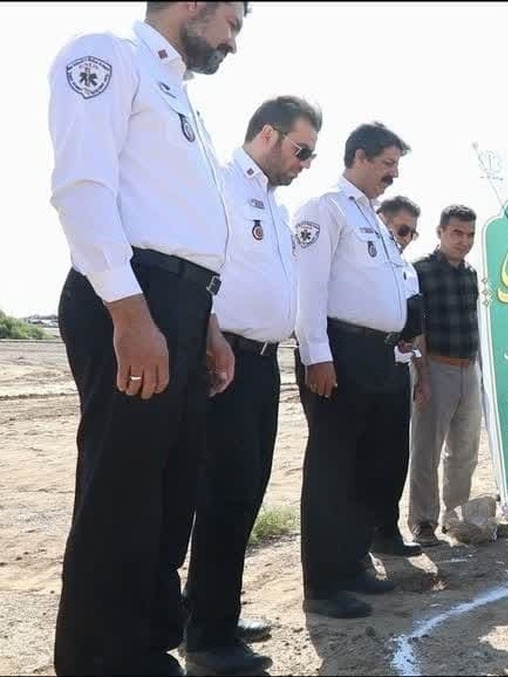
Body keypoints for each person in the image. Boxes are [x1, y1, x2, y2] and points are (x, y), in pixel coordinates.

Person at [47, 2, 247, 673]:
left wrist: (208, 321)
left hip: (183, 304)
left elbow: (180, 224)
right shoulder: (109, 54)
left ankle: (144, 647)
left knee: (171, 489)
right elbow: (83, 187)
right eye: (233, 23)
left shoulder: (182, 97)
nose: (233, 42)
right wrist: (130, 315)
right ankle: (98, 658)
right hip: (133, 295)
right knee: (122, 491)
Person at [180, 95, 320, 676]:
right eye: (301, 149)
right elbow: (202, 265)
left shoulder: (272, 204)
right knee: (222, 495)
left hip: (262, 364)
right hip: (225, 360)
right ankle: (207, 639)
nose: (306, 163)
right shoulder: (221, 184)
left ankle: (217, 612)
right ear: (268, 134)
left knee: (246, 493)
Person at [293, 122, 421, 620]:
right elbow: (309, 285)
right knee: (332, 471)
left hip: (382, 358)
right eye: (388, 163)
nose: (393, 174)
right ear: (361, 158)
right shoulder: (324, 208)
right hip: (342, 352)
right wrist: (316, 354)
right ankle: (322, 585)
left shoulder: (369, 218)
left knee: (368, 469)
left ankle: (351, 566)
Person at [408, 205, 483, 547]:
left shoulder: (470, 274)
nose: (464, 241)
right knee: (427, 450)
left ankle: (456, 516)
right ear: (440, 232)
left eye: (469, 234)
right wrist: (422, 374)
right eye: (457, 233)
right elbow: (416, 327)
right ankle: (424, 522)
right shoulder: (420, 271)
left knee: (464, 451)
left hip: (469, 370)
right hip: (435, 369)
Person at [367, 194, 430, 552]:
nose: (405, 238)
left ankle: (386, 532)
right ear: (383, 222)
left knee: (394, 455)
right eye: (401, 230)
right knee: (369, 458)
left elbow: (414, 326)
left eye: (411, 233)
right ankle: (359, 541)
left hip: (399, 369)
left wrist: (422, 372)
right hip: (369, 364)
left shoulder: (407, 271)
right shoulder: (370, 264)